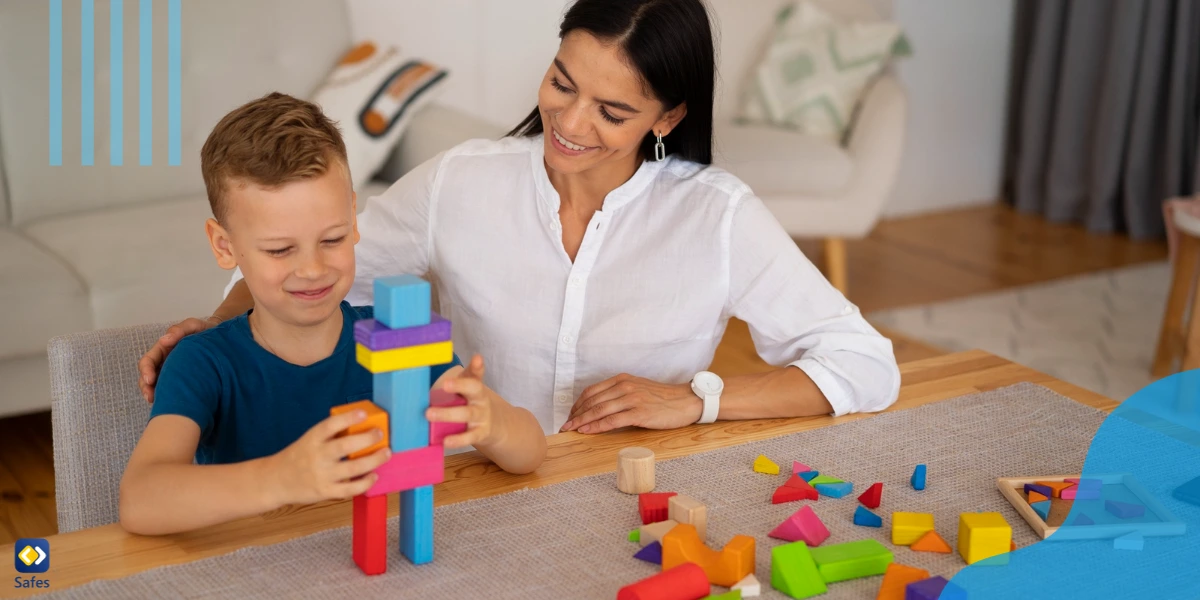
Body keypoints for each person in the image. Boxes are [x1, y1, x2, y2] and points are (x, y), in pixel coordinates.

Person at [138, 0, 900, 440]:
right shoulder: (466, 181)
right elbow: (318, 264)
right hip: (484, 481)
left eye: (611, 110)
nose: (568, 122)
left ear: (667, 115)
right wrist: (221, 325)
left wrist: (699, 400)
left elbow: (865, 363)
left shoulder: (716, 216)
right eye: (561, 83)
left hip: (642, 494)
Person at [119, 93, 546, 536]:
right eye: (281, 249)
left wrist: (492, 422)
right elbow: (140, 499)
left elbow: (530, 453)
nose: (313, 269)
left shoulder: (398, 335)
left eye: (333, 239)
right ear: (225, 246)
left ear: (354, 220)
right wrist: (284, 477)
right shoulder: (204, 363)